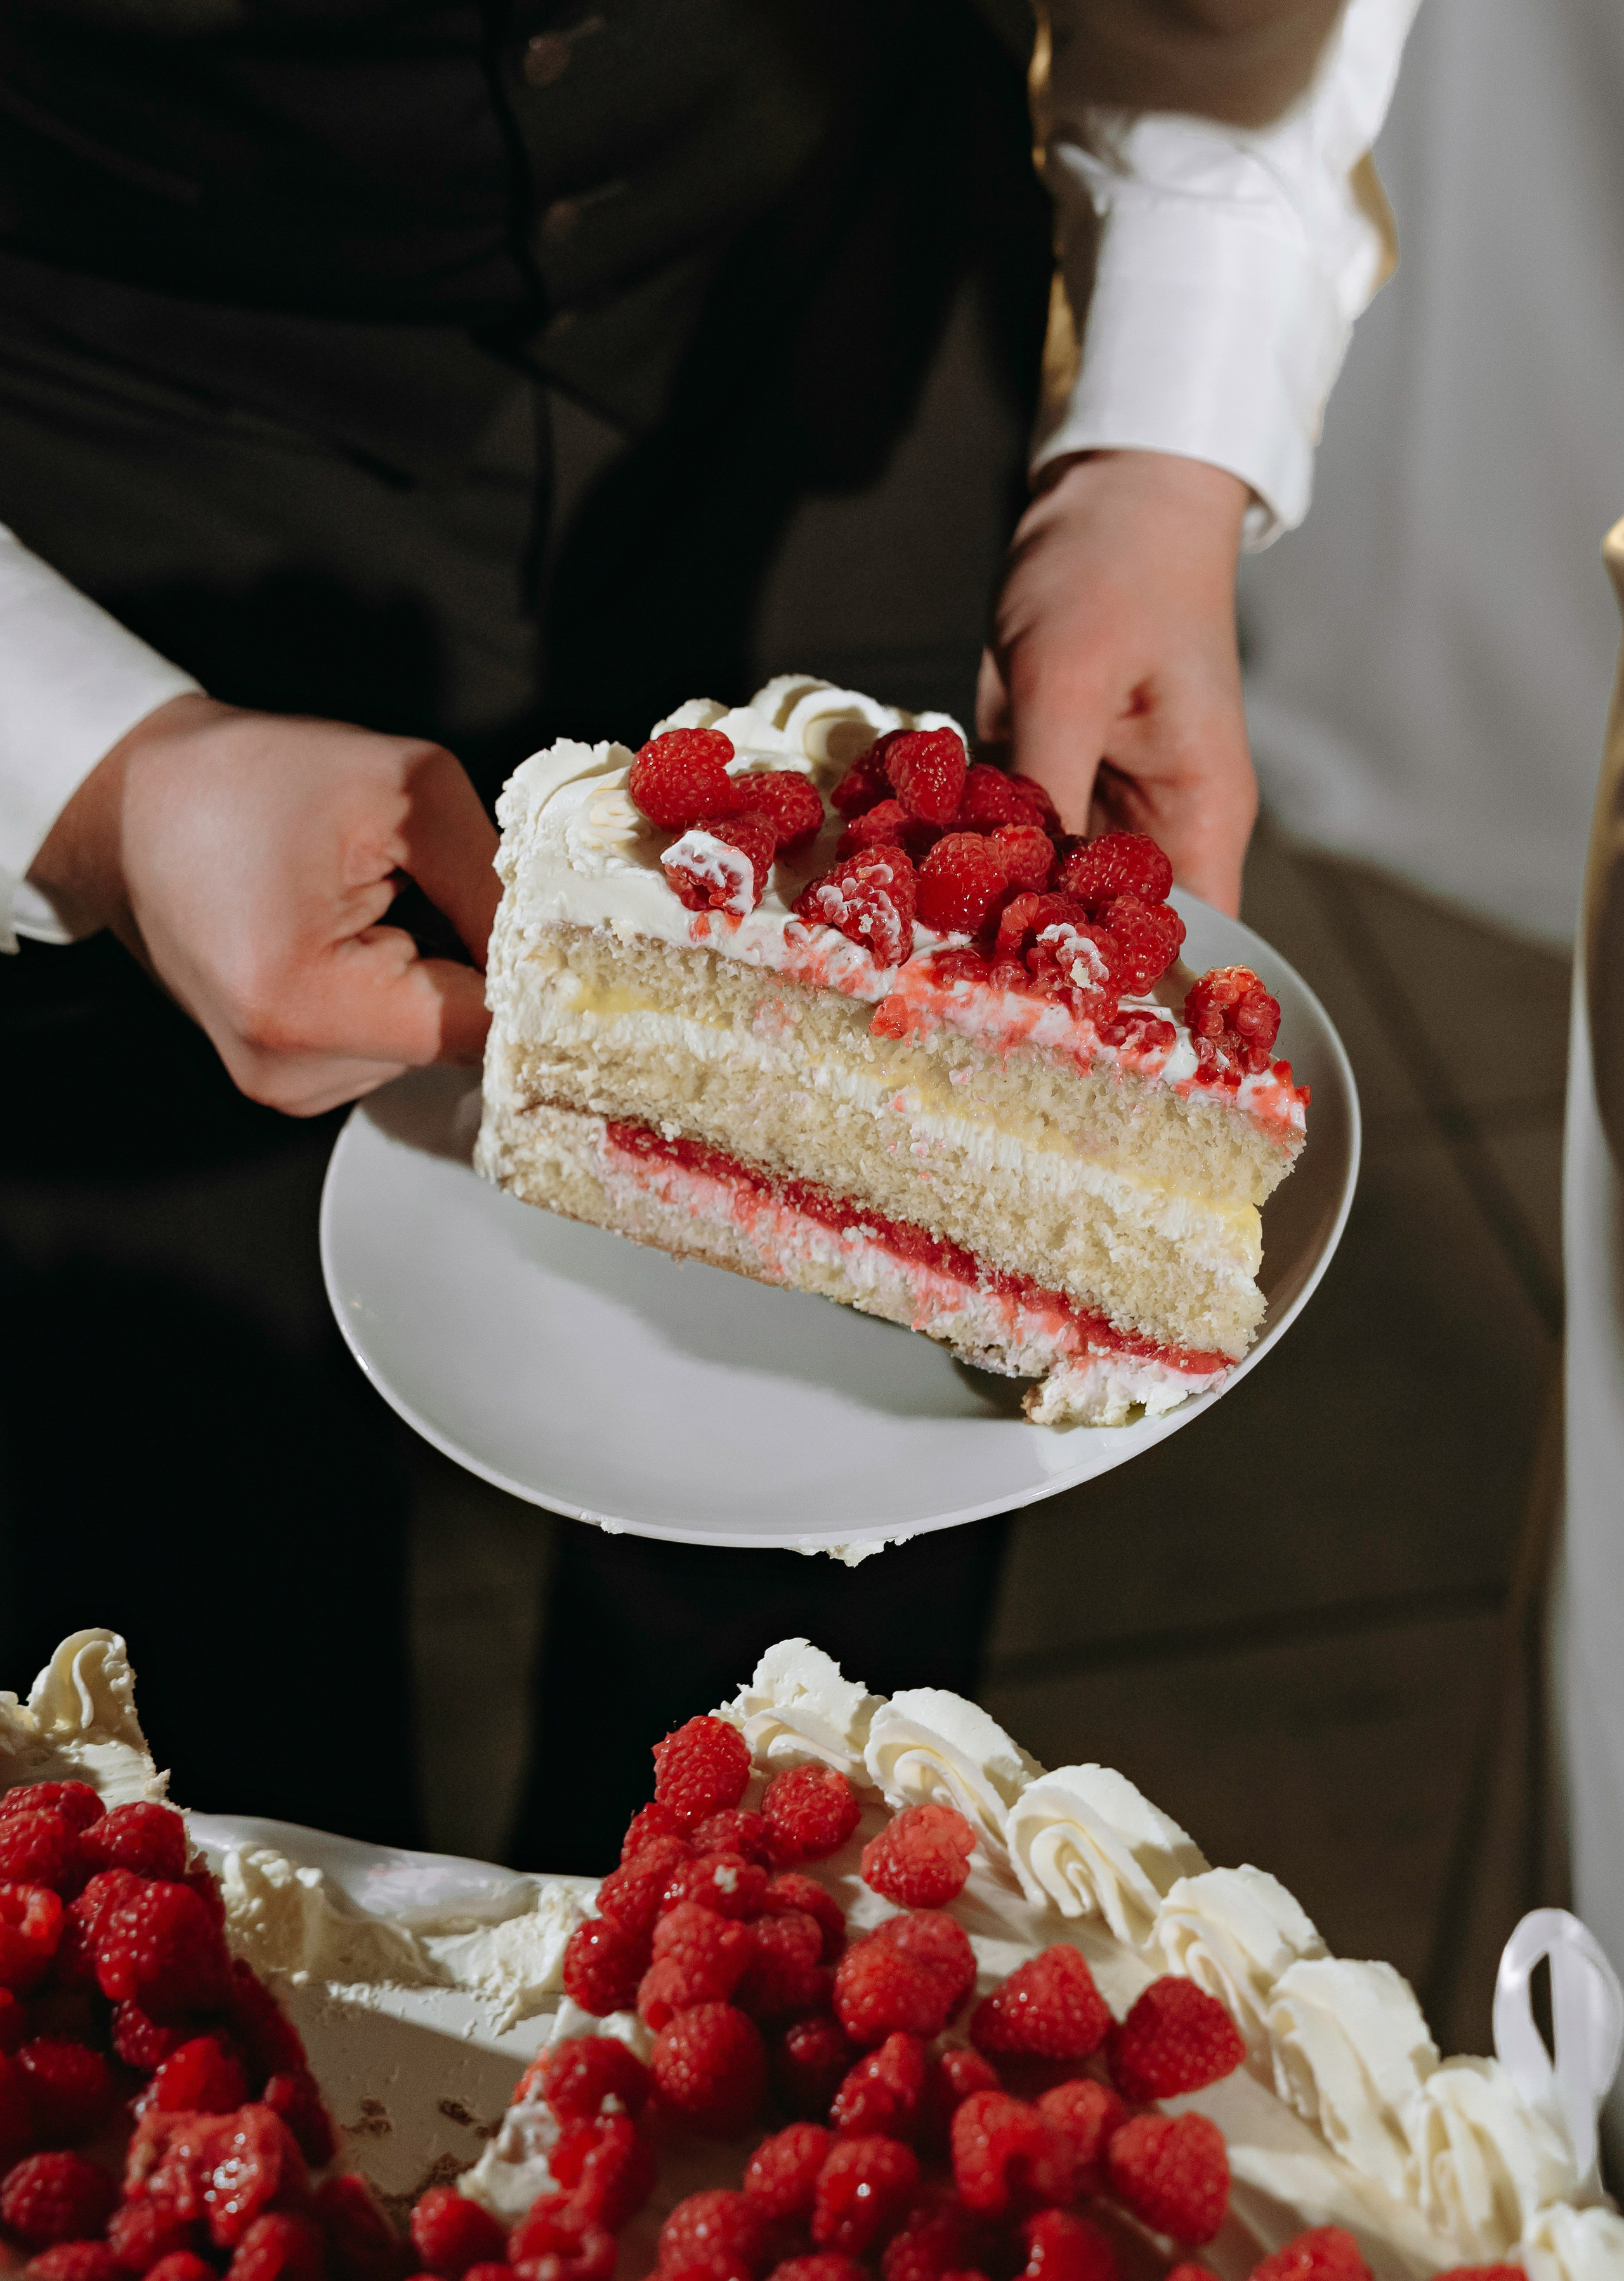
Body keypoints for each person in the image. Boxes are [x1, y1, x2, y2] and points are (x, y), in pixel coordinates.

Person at [0, 0, 1409, 1863]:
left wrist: (1158, 448)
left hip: (824, 287)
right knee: (187, 1622)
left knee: (806, 1627)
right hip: (112, 388)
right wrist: (88, 772)